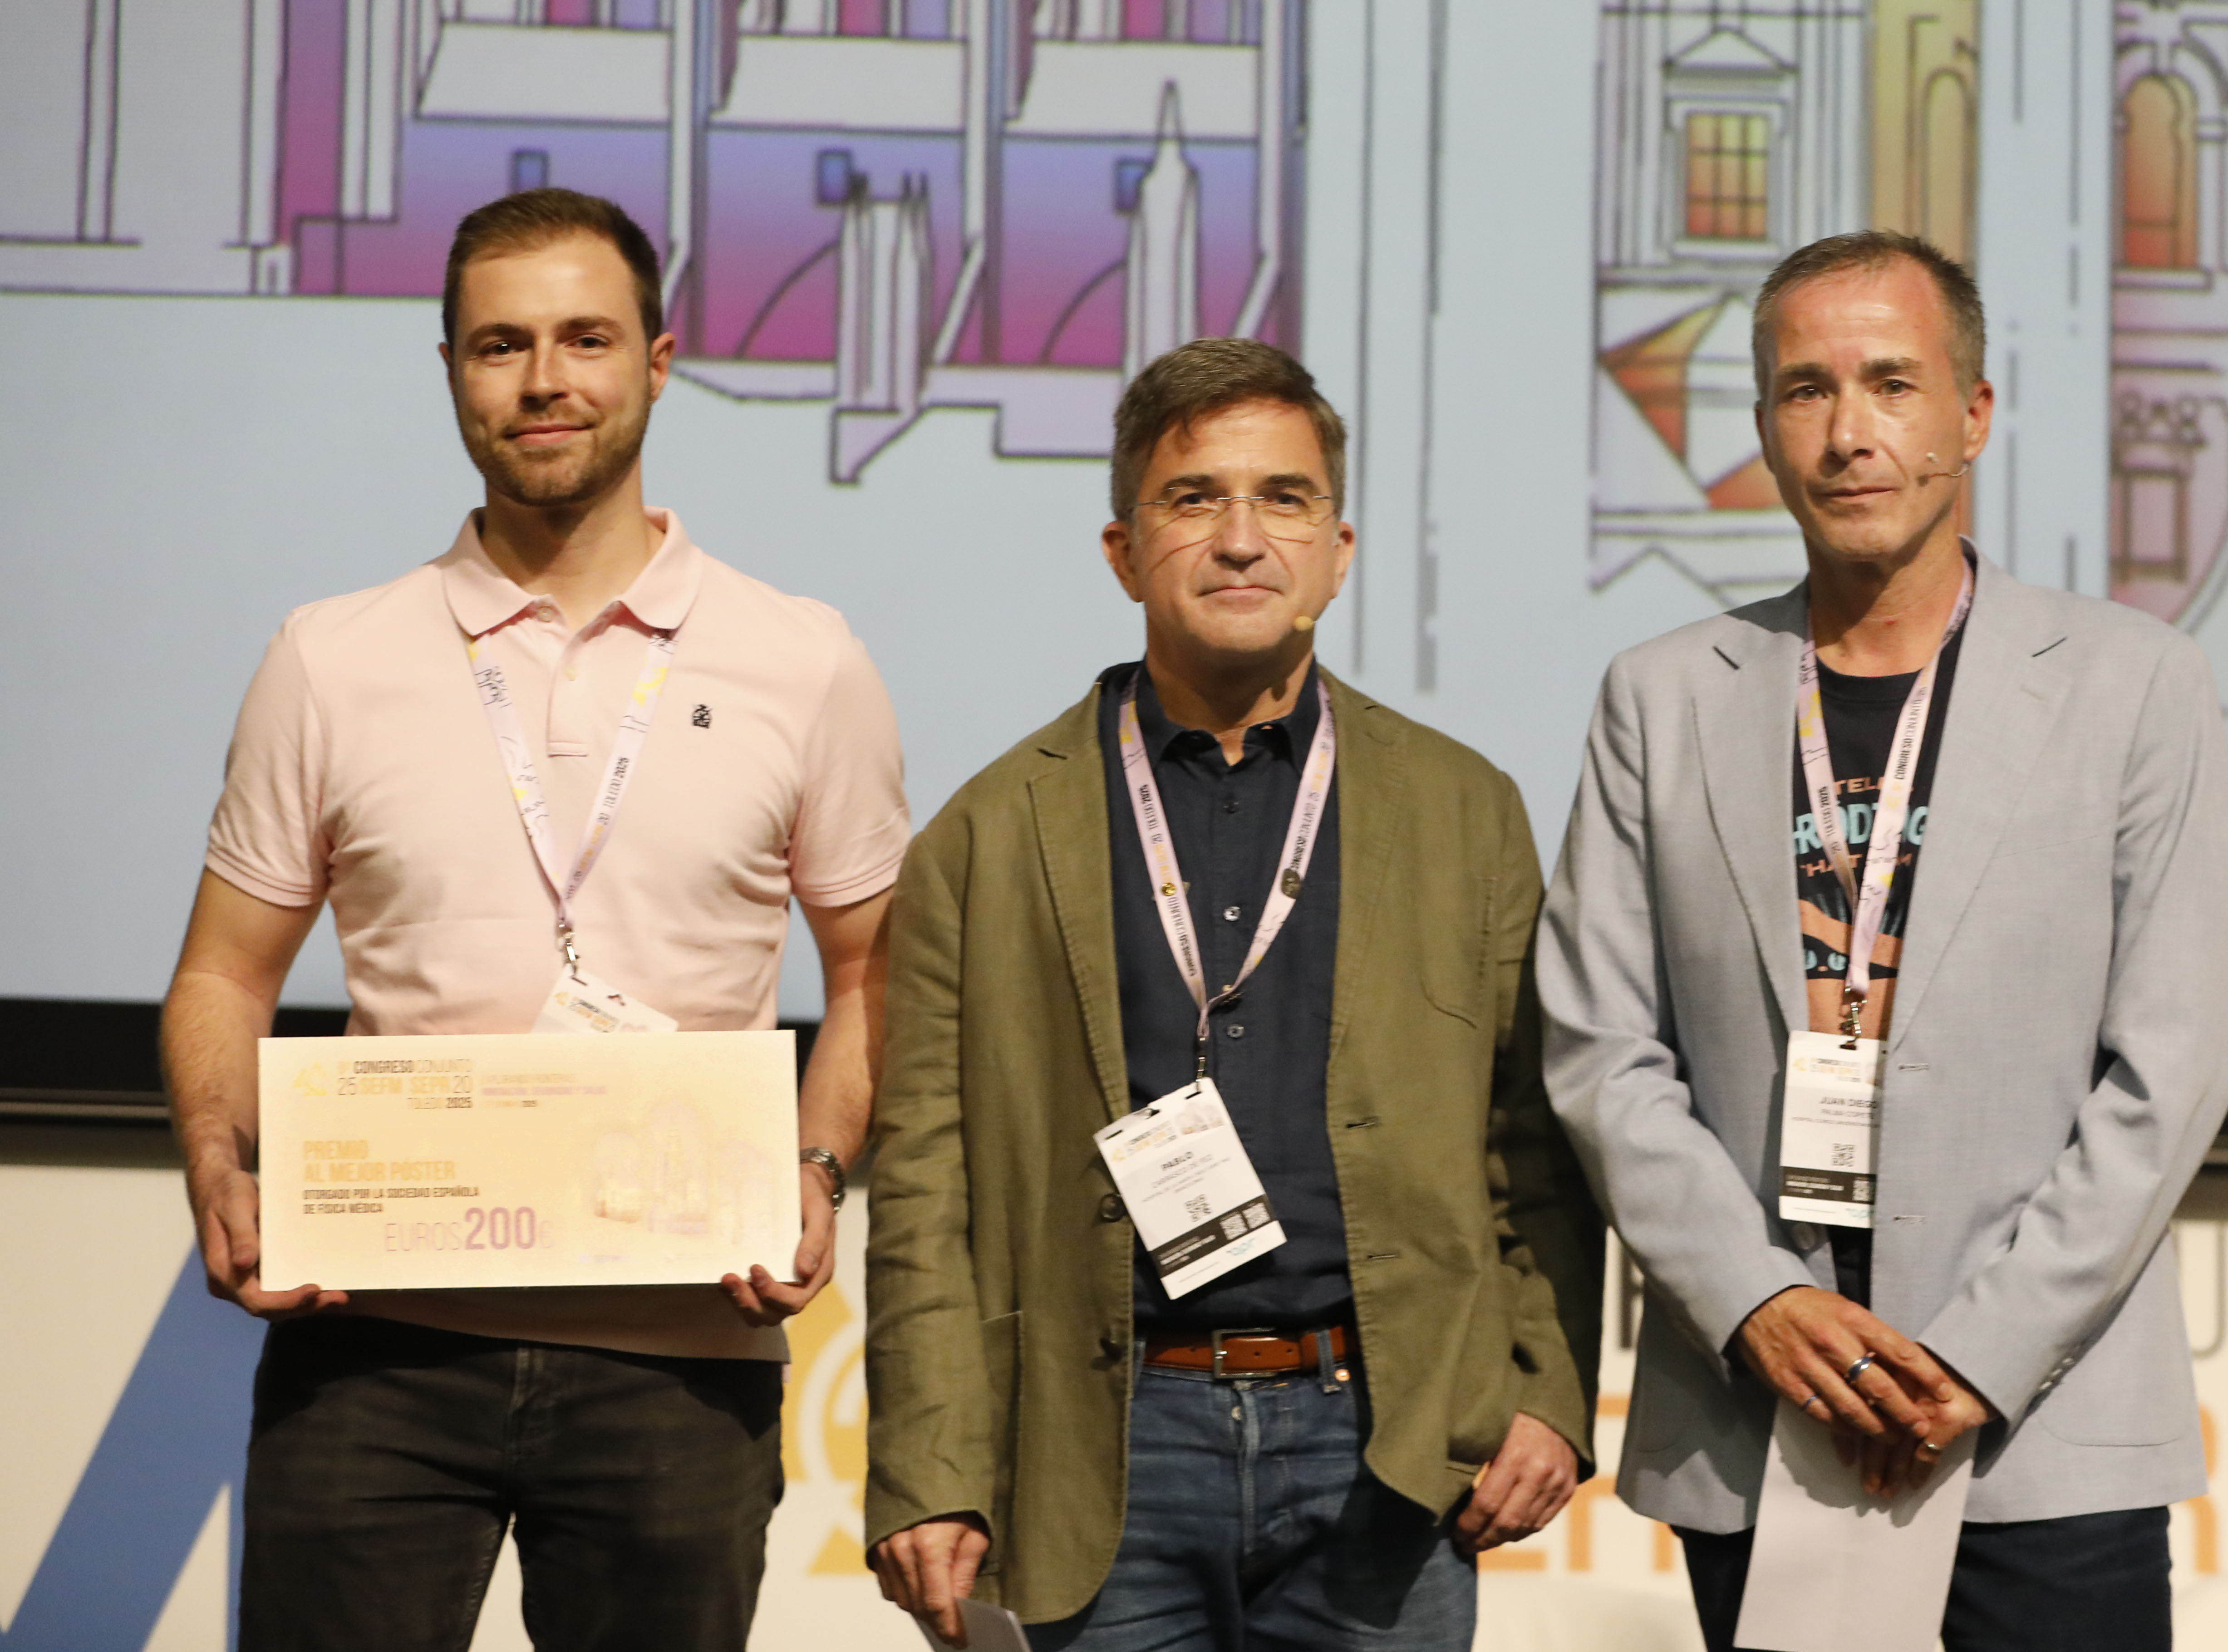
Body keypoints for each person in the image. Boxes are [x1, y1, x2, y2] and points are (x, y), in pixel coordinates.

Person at [162, 188, 908, 1651]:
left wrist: (818, 1166)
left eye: (586, 339)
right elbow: (223, 975)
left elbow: (876, 971)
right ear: (450, 368)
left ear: (660, 362)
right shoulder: (330, 657)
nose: (545, 380)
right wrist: (213, 1156)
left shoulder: (802, 659)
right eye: (502, 345)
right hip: (373, 1342)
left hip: (682, 1351)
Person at [1538, 231, 2228, 1651]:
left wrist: (1981, 1354)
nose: (1848, 432)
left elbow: (2169, 1067)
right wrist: (1755, 1300)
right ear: (1761, 428)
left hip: (2042, 1430)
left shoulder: (2134, 685)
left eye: (1890, 384)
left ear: (1969, 415)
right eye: (1805, 390)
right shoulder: (1660, 698)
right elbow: (1600, 1051)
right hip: (1765, 1411)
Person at [863, 338, 1603, 1650]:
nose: (1242, 539)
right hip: (1105, 1451)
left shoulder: (1464, 809)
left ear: (1339, 549)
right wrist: (929, 1464)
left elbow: (1531, 1141)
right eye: (1193, 499)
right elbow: (926, 1183)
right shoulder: (985, 836)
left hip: (1389, 1441)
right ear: (1122, 551)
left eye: (1285, 499)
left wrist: (1546, 1388)